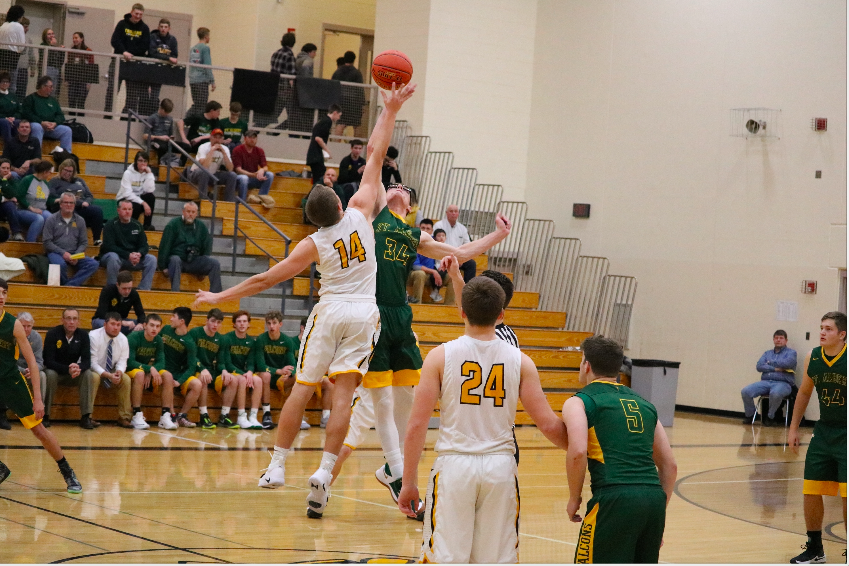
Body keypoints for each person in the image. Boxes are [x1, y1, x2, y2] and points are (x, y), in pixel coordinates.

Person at [194, 83, 417, 519]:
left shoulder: (312, 244)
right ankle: (324, 470)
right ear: (338, 201)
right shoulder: (360, 210)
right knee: (344, 395)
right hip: (364, 314)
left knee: (303, 387)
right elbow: (375, 153)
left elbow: (261, 280)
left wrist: (219, 294)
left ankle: (277, 465)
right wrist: (389, 108)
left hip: (331, 310)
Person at [397, 277, 568, 562]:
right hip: (500, 468)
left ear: (462, 311)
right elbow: (550, 425)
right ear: (501, 315)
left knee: (445, 558)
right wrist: (587, 448)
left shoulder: (440, 357)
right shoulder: (521, 361)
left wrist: (408, 482)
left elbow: (416, 425)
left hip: (454, 467)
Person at [364, 186, 511, 506]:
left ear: (412, 206)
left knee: (407, 394)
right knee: (383, 398)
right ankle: (399, 470)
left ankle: (392, 465)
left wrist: (498, 235)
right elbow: (375, 156)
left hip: (400, 314)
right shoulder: (374, 215)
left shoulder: (415, 234)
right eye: (393, 185)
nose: (397, 188)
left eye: (403, 189)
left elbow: (459, 254)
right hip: (371, 312)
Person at [561, 335, 678, 564]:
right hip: (653, 501)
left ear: (587, 365)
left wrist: (574, 497)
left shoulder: (580, 401)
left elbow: (577, 452)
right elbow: (670, 466)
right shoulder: (645, 404)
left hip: (613, 499)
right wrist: (655, 514)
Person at [0, 279, 82, 493]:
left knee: (39, 430)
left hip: (11, 381)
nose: (1, 296)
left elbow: (33, 364)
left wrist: (37, 398)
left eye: (4, 293)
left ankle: (67, 471)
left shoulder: (14, 325)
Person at [788, 311, 847, 564]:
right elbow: (803, 393)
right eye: (821, 327)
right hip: (823, 433)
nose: (822, 332)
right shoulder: (813, 356)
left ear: (842, 335)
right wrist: (793, 428)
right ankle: (815, 548)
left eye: (829, 329)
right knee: (810, 489)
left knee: (847, 494)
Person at [43, 308, 99, 429]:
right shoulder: (52, 334)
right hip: (56, 373)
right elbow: (48, 361)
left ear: (78, 321)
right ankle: (45, 415)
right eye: (68, 318)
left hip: (73, 374)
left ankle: (86, 417)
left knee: (88, 374)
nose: (71, 322)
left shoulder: (83, 335)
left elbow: (87, 361)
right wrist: (67, 369)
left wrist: (78, 367)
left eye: (74, 319)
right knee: (49, 374)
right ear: (62, 320)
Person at [126, 314, 177, 430]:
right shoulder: (133, 337)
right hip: (130, 370)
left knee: (168, 376)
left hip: (145, 370)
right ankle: (136, 414)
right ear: (144, 326)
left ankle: (165, 415)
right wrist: (149, 369)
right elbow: (130, 362)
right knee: (140, 374)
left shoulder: (158, 340)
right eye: (152, 325)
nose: (154, 329)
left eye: (157, 326)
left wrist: (150, 371)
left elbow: (161, 362)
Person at [158, 201, 222, 293]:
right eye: (188, 211)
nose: (190, 214)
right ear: (183, 212)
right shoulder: (173, 224)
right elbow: (165, 246)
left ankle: (216, 294)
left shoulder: (201, 226)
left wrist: (203, 270)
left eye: (193, 212)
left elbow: (207, 246)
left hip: (194, 260)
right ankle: (175, 293)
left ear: (196, 213)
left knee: (214, 263)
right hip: (177, 260)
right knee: (175, 260)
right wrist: (163, 266)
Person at [252, 310, 300, 430]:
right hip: (265, 375)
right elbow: (261, 365)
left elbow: (292, 365)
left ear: (280, 324)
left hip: (279, 378)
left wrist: (289, 372)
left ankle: (293, 413)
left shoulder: (287, 341)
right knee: (266, 375)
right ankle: (266, 414)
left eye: (274, 323)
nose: (271, 326)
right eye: (269, 323)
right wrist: (279, 371)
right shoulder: (261, 339)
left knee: (297, 378)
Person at [0, 310, 46, 430]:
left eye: (29, 326)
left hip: (29, 370)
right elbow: (9, 360)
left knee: (42, 375)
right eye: (23, 326)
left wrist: (32, 370)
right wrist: (23, 370)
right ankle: (3, 414)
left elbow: (39, 361)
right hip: (14, 370)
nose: (26, 329)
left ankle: (41, 410)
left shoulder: (36, 337)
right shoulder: (11, 331)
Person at [740, 330, 797, 426]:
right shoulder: (767, 353)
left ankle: (770, 417)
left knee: (775, 393)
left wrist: (769, 362)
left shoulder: (792, 353)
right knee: (745, 391)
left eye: (781, 338)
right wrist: (776, 368)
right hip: (766, 381)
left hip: (783, 383)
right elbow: (759, 366)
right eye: (776, 338)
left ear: (786, 340)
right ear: (773, 340)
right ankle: (751, 415)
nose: (778, 340)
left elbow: (787, 364)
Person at [219, 310, 263, 429]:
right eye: (239, 321)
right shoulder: (227, 338)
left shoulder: (251, 341)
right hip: (230, 372)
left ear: (249, 324)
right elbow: (227, 363)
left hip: (243, 373)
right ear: (234, 324)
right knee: (243, 380)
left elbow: (251, 362)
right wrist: (244, 374)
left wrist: (249, 372)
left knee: (258, 380)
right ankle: (241, 416)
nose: (242, 324)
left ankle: (253, 416)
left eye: (244, 321)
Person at [187, 308, 231, 429]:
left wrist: (224, 370)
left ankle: (224, 415)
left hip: (210, 370)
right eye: (213, 321)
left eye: (218, 322)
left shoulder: (221, 339)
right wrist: (201, 368)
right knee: (204, 378)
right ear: (206, 320)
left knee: (232, 380)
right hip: (193, 368)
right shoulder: (195, 333)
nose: (215, 325)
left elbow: (221, 362)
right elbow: (191, 356)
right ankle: (203, 415)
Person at [43, 192, 99, 286]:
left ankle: (70, 286)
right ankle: (67, 288)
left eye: (71, 203)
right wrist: (63, 253)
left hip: (74, 253)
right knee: (60, 265)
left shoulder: (80, 220)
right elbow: (47, 242)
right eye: (66, 202)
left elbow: (83, 242)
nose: (69, 205)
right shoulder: (51, 219)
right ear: (60, 204)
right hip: (56, 253)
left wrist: (76, 255)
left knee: (93, 264)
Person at [159, 307, 201, 427]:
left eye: (174, 316)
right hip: (163, 369)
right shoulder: (166, 329)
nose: (171, 318)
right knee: (168, 379)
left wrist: (179, 382)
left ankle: (182, 415)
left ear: (182, 321)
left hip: (177, 372)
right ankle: (171, 416)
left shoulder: (189, 342)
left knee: (197, 384)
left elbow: (192, 367)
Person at [89, 312, 132, 428]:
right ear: (104, 324)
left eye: (118, 325)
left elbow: (123, 361)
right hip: (93, 370)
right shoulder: (93, 336)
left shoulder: (123, 339)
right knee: (94, 377)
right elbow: (92, 363)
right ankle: (88, 415)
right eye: (112, 324)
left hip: (111, 369)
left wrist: (119, 372)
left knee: (126, 379)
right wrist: (108, 375)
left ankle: (124, 417)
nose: (116, 327)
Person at [100, 201, 157, 290]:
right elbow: (109, 246)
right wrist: (128, 255)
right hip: (114, 257)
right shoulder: (110, 225)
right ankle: (112, 289)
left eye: (130, 209)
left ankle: (144, 289)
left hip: (132, 259)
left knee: (152, 259)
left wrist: (139, 254)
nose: (127, 211)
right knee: (113, 257)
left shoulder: (137, 225)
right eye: (124, 209)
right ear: (118, 210)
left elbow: (144, 245)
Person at [47, 159, 104, 245]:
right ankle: (75, 241)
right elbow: (53, 198)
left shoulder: (79, 180)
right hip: (66, 207)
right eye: (66, 170)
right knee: (72, 212)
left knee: (97, 211)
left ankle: (96, 239)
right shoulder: (54, 181)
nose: (68, 173)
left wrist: (87, 202)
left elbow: (89, 195)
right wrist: (76, 201)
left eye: (70, 171)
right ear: (61, 169)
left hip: (82, 206)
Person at [108, 4, 150, 115]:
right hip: (118, 62)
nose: (138, 16)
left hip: (134, 65)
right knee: (111, 92)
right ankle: (107, 116)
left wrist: (131, 54)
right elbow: (115, 41)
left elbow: (145, 46)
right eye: (136, 14)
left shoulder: (145, 28)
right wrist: (124, 52)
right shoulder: (122, 24)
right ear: (131, 12)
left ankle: (126, 119)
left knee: (132, 96)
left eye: (140, 14)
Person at [0, 157, 50, 242]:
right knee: (38, 218)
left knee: (50, 217)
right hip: (19, 209)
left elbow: (13, 194)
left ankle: (45, 242)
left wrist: (5, 181)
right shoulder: (27, 179)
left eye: (8, 168)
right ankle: (27, 240)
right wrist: (4, 198)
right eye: (3, 168)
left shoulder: (12, 180)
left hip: (6, 209)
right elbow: (18, 197)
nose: (6, 170)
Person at [21, 75, 72, 152]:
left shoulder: (53, 101)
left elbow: (60, 115)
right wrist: (41, 122)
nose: (52, 89)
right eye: (50, 87)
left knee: (67, 130)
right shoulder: (30, 98)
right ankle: (36, 154)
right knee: (36, 127)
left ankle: (66, 155)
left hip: (51, 127)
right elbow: (27, 114)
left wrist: (55, 123)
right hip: (37, 125)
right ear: (43, 86)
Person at [187, 128, 238, 202]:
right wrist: (212, 151)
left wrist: (224, 153)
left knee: (232, 175)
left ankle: (229, 201)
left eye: (220, 138)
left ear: (222, 139)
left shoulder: (225, 149)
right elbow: (204, 166)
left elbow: (230, 168)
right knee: (204, 172)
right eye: (215, 137)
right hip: (196, 174)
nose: (217, 140)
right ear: (210, 138)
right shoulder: (203, 147)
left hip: (212, 175)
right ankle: (203, 199)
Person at [406, 219, 446, 304]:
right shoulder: (412, 242)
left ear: (432, 231)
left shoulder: (434, 243)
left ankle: (451, 307)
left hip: (430, 275)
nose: (425, 231)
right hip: (413, 274)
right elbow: (415, 266)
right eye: (423, 228)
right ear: (418, 228)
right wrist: (433, 271)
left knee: (450, 277)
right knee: (420, 273)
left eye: (428, 229)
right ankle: (417, 303)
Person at [144, 98, 190, 169]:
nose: (167, 114)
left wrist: (171, 137)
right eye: (166, 112)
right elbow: (145, 136)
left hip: (167, 141)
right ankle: (161, 168)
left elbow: (170, 134)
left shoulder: (170, 119)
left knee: (186, 147)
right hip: (155, 141)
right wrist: (160, 137)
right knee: (162, 147)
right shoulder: (152, 118)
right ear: (161, 109)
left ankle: (179, 167)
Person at [434, 204, 476, 282]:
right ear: (446, 213)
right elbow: (435, 244)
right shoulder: (438, 225)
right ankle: (435, 291)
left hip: (458, 257)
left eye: (455, 211)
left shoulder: (462, 228)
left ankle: (468, 289)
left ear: (458, 213)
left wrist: (462, 259)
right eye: (451, 211)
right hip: (443, 256)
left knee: (471, 263)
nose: (453, 213)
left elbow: (468, 245)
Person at [115, 151, 157, 230]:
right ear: (136, 162)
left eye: (145, 161)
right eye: (140, 161)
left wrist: (149, 174)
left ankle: (147, 225)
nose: (143, 163)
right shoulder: (128, 173)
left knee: (151, 197)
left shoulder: (146, 173)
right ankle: (132, 227)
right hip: (124, 198)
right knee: (136, 206)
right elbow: (127, 193)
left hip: (138, 198)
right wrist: (143, 203)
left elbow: (149, 190)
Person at [233, 130, 274, 207]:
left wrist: (261, 170)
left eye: (254, 138)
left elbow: (265, 166)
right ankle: (243, 203)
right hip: (240, 178)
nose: (252, 140)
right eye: (250, 137)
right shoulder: (237, 150)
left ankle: (262, 199)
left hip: (253, 177)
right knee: (244, 178)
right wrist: (253, 175)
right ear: (245, 139)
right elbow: (238, 169)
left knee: (270, 175)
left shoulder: (259, 150)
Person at [331, 51, 365, 136]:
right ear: (354, 60)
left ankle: (336, 144)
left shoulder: (337, 72)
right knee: (356, 125)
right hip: (354, 101)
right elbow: (360, 89)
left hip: (341, 101)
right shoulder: (357, 73)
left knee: (341, 123)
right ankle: (357, 144)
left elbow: (332, 85)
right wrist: (362, 103)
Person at [306, 104, 341, 185]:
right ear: (335, 113)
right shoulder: (328, 121)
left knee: (318, 179)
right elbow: (318, 138)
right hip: (316, 156)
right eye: (339, 116)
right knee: (320, 179)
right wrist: (328, 151)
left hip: (314, 155)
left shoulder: (322, 120)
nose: (338, 118)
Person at [147, 18, 178, 107]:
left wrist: (169, 59)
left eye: (165, 27)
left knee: (154, 97)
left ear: (169, 28)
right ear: (158, 27)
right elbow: (152, 53)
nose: (163, 29)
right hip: (149, 70)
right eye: (161, 26)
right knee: (144, 96)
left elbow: (174, 55)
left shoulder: (172, 40)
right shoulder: (153, 37)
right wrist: (168, 58)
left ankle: (153, 115)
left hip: (161, 72)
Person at [187, 27, 214, 118]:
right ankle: (186, 119)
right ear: (206, 37)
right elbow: (207, 65)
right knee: (201, 106)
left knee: (197, 104)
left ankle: (188, 119)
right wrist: (212, 81)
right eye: (209, 36)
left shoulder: (193, 48)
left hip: (193, 80)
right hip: (201, 81)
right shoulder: (205, 48)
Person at [66, 32, 93, 114]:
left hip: (83, 81)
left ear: (82, 39)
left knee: (81, 103)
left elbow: (91, 67)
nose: (74, 40)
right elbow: (69, 66)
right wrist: (67, 80)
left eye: (76, 38)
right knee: (72, 103)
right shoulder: (71, 51)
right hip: (73, 80)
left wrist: (89, 82)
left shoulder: (88, 51)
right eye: (73, 38)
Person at [12, 17, 35, 102]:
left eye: (27, 27)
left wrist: (33, 68)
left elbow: (31, 55)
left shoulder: (28, 39)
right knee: (12, 89)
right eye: (25, 27)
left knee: (21, 92)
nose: (27, 29)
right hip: (13, 68)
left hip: (23, 70)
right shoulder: (13, 37)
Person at [38, 29, 65, 100]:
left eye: (52, 34)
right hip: (47, 69)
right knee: (46, 89)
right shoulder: (43, 45)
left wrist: (62, 52)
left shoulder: (56, 47)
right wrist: (51, 46)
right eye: (49, 34)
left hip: (56, 70)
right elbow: (46, 58)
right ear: (45, 36)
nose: (51, 36)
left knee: (53, 91)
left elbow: (60, 62)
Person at [0, 6, 26, 75]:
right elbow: (21, 46)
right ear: (19, 16)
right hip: (12, 57)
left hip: (1, 55)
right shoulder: (18, 26)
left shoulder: (3, 26)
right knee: (11, 82)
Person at [0, 71, 23, 145]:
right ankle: (9, 146)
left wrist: (14, 117)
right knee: (5, 122)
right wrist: (5, 118)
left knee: (19, 122)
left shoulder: (13, 96)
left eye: (7, 82)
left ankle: (20, 146)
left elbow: (19, 110)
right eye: (3, 81)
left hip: (12, 120)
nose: (5, 83)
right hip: (2, 120)